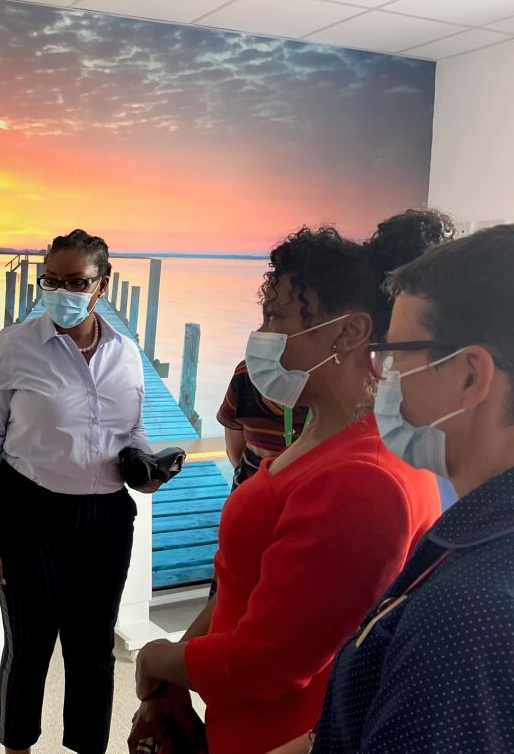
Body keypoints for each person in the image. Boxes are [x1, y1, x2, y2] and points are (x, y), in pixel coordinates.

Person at [130, 225, 443, 754]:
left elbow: (272, 661)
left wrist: (155, 659)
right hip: (237, 723)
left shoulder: (363, 482)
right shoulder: (321, 435)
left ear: (348, 333)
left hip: (277, 737)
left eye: (277, 317)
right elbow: (241, 587)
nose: (262, 335)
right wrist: (178, 674)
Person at [270, 224, 514, 753]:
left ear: (470, 377)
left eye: (397, 354)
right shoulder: (475, 537)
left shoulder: (468, 617)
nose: (383, 376)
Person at [0, 229, 160, 754]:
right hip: (30, 517)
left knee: (93, 650)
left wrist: (147, 468)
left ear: (102, 286)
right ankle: (17, 749)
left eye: (76, 282)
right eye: (51, 280)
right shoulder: (14, 347)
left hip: (106, 521)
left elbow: (132, 433)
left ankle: (87, 748)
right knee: (28, 648)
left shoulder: (126, 353)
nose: (62, 292)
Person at [219, 358, 308, 491]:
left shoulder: (339, 390)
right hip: (250, 495)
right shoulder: (247, 374)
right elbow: (235, 452)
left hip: (307, 499)